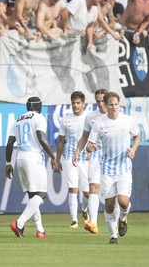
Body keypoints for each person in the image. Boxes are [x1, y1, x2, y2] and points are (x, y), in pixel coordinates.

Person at [77, 91, 140, 245]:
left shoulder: (127, 120)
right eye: (110, 104)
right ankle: (113, 236)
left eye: (116, 104)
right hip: (107, 169)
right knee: (110, 204)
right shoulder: (99, 124)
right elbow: (90, 143)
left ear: (119, 104)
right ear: (105, 105)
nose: (113, 107)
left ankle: (123, 217)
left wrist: (133, 150)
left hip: (124, 167)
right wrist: (89, 149)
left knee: (124, 202)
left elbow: (137, 136)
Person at [6, 96, 56, 238]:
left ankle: (40, 231)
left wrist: (8, 163)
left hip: (20, 158)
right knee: (42, 194)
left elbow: (10, 144)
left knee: (32, 196)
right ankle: (19, 223)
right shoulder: (38, 117)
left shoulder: (17, 120)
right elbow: (41, 138)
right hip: (33, 158)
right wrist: (53, 157)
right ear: (37, 106)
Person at [72, 88, 109, 235]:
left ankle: (120, 219)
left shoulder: (116, 116)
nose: (100, 104)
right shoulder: (91, 117)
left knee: (111, 194)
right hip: (95, 156)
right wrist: (77, 153)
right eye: (98, 101)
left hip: (112, 159)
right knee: (93, 187)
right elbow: (84, 137)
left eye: (103, 100)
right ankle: (93, 223)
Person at [55, 91, 88, 229]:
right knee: (73, 189)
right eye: (73, 102)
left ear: (83, 104)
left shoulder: (88, 118)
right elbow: (61, 141)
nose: (75, 105)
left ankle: (84, 209)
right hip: (69, 158)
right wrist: (57, 159)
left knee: (87, 192)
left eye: (78, 103)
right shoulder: (66, 119)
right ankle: (74, 220)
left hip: (86, 158)